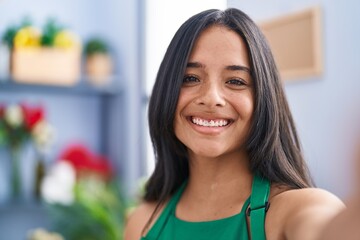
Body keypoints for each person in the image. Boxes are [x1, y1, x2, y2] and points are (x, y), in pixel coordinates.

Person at [125, 8, 345, 240]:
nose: (211, 98)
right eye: (190, 78)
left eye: (236, 81)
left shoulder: (294, 210)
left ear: (263, 99)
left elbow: (322, 224)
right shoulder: (141, 223)